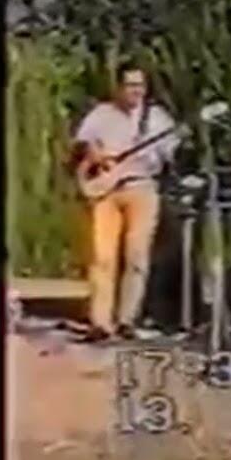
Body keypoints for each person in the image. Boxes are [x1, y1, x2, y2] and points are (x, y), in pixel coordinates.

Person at [73, 61, 180, 342]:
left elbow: (171, 154)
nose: (136, 91)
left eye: (140, 85)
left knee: (136, 257)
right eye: (130, 85)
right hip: (106, 192)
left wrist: (177, 148)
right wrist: (97, 156)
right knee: (102, 257)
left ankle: (126, 319)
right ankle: (100, 322)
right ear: (118, 87)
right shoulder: (102, 114)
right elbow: (84, 144)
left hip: (141, 188)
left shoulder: (157, 119)